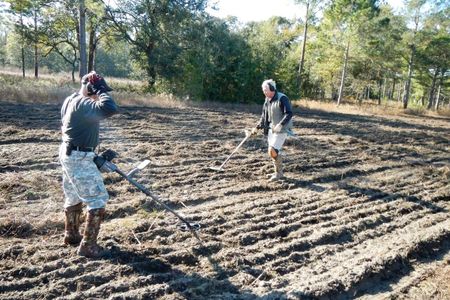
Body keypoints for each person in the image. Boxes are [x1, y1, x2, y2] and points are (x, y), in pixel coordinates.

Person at [59, 71, 118, 258]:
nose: (98, 95)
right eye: (97, 90)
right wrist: (99, 91)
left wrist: (92, 153)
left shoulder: (70, 100)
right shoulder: (83, 102)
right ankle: (88, 246)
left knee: (74, 196)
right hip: (77, 156)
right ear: (90, 87)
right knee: (98, 200)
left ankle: (72, 235)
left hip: (71, 152)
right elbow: (110, 108)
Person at [251, 79, 293, 181]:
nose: (264, 92)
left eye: (265, 89)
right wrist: (257, 127)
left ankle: (279, 174)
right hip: (271, 129)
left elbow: (289, 113)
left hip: (282, 130)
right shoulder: (267, 100)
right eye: (263, 90)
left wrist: (280, 124)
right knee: (272, 152)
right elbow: (263, 116)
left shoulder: (282, 98)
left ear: (272, 88)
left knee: (272, 151)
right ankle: (278, 173)